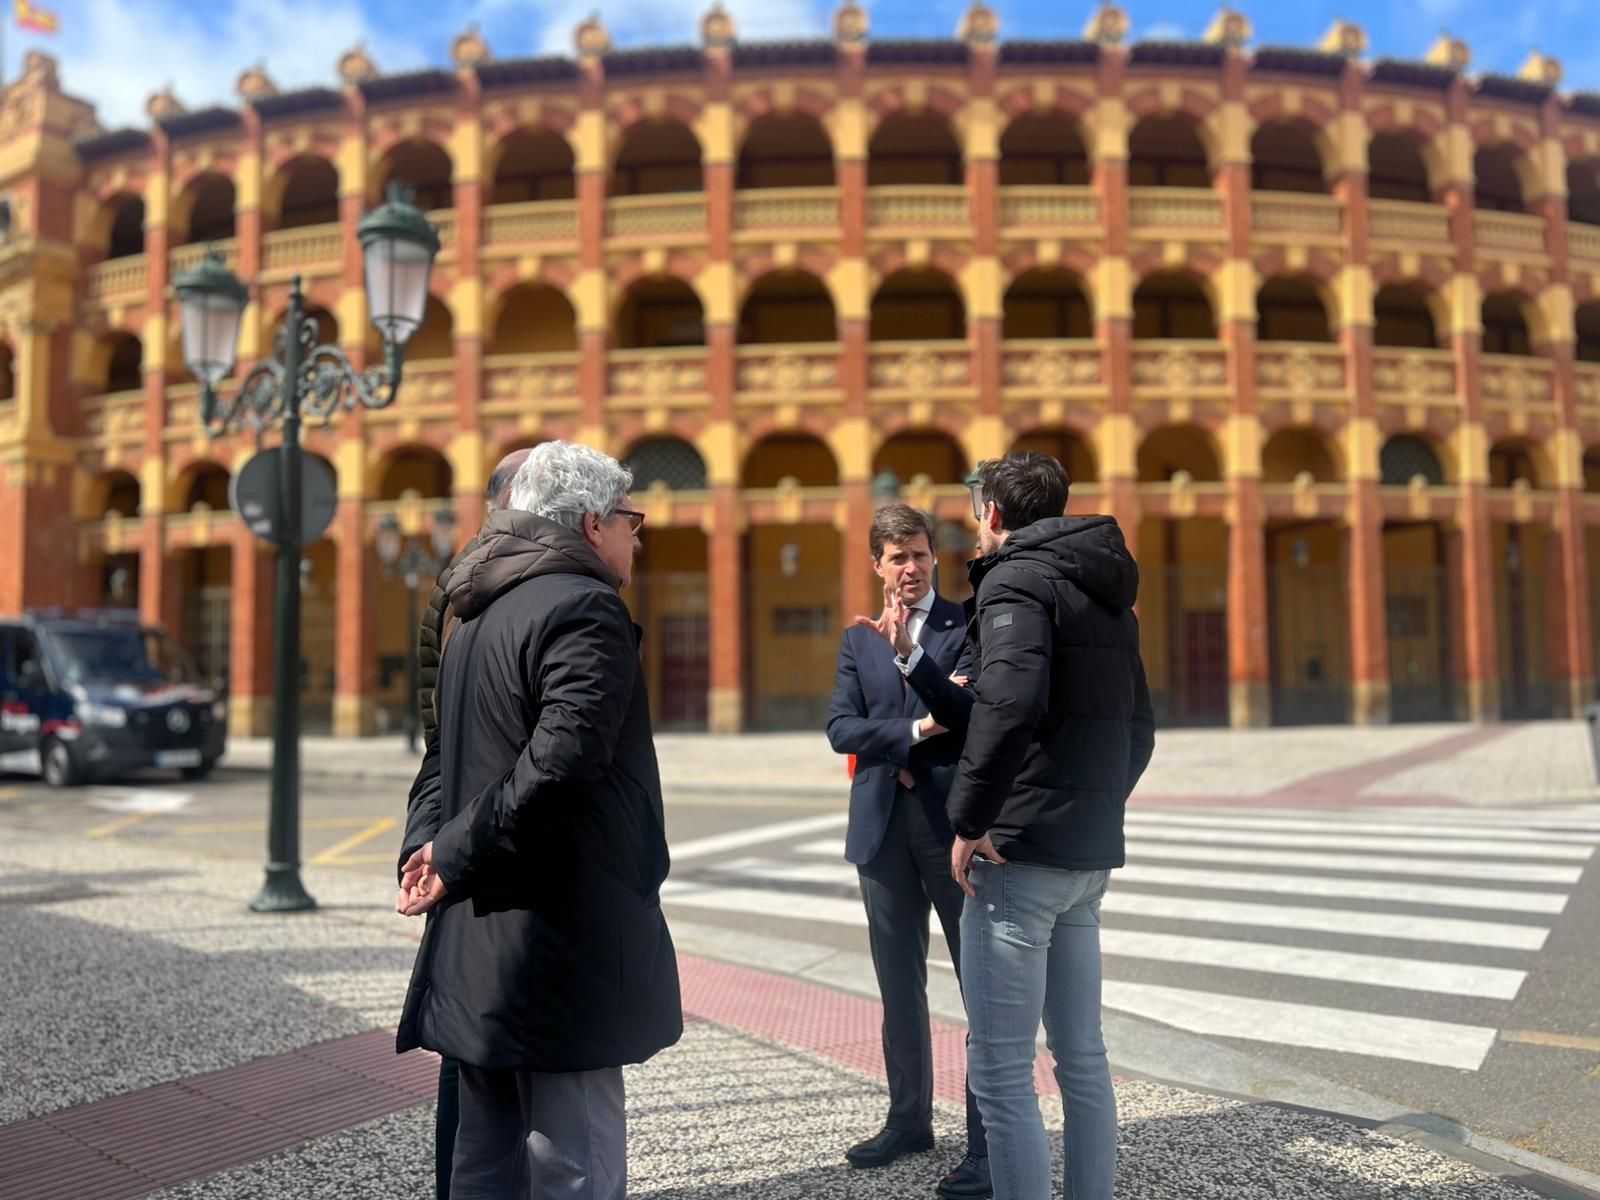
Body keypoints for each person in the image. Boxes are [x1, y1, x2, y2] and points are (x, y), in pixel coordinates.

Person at [395, 440, 681, 1200]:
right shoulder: (585, 608)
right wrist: (448, 854)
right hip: (560, 936)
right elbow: (559, 767)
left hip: (479, 934)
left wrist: (430, 847)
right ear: (591, 523)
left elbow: (441, 756)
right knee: (574, 1161)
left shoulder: (473, 609)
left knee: (484, 1159)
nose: (637, 538)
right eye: (630, 520)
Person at [939, 451, 1154, 1200]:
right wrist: (1093, 805)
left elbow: (1009, 703)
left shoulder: (1015, 579)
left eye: (978, 507)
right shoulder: (1107, 588)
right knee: (1083, 1058)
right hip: (1085, 856)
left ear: (994, 512)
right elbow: (1140, 727)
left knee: (1001, 1068)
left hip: (1020, 855)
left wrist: (971, 818)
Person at [827, 502, 991, 1200]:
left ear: (933, 557)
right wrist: (917, 730)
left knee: (980, 986)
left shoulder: (967, 625)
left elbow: (971, 714)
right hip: (881, 827)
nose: (911, 567)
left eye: (920, 554)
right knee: (898, 985)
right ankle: (908, 1120)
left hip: (948, 826)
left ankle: (987, 1141)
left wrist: (915, 711)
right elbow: (840, 728)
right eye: (897, 557)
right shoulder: (857, 639)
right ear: (878, 565)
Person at [398, 446, 531, 1200]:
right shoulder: (470, 591)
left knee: (476, 1044)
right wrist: (431, 842)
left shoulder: (470, 585)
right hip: (479, 839)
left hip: (470, 834)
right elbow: (443, 746)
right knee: (476, 1050)